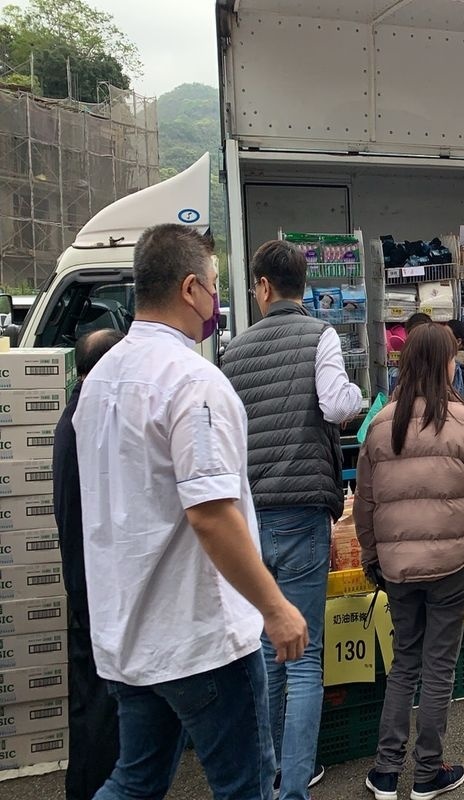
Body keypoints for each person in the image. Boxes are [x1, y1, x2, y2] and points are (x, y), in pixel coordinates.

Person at [74, 223, 308, 800]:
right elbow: (210, 512)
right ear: (189, 288)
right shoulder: (192, 380)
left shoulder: (101, 379)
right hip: (199, 635)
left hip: (128, 631)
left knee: (137, 779)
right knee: (246, 785)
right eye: (212, 285)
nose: (217, 299)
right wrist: (275, 609)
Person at [221, 240, 364, 800]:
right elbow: (336, 405)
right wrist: (354, 392)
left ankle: (271, 772)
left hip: (250, 520)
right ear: (303, 285)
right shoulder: (320, 335)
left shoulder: (232, 352)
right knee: (303, 659)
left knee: (266, 649)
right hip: (304, 514)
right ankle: (294, 789)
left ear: (261, 286)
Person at [355, 324, 464, 800]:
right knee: (440, 668)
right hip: (452, 562)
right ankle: (426, 773)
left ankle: (384, 771)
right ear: (445, 364)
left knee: (404, 664)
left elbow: (364, 502)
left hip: (397, 566)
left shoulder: (381, 423)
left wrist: (371, 556)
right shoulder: (459, 421)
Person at [52, 328, 124, 800]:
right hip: (96, 588)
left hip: (86, 585)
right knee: (100, 711)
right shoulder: (90, 420)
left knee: (95, 706)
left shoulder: (76, 414)